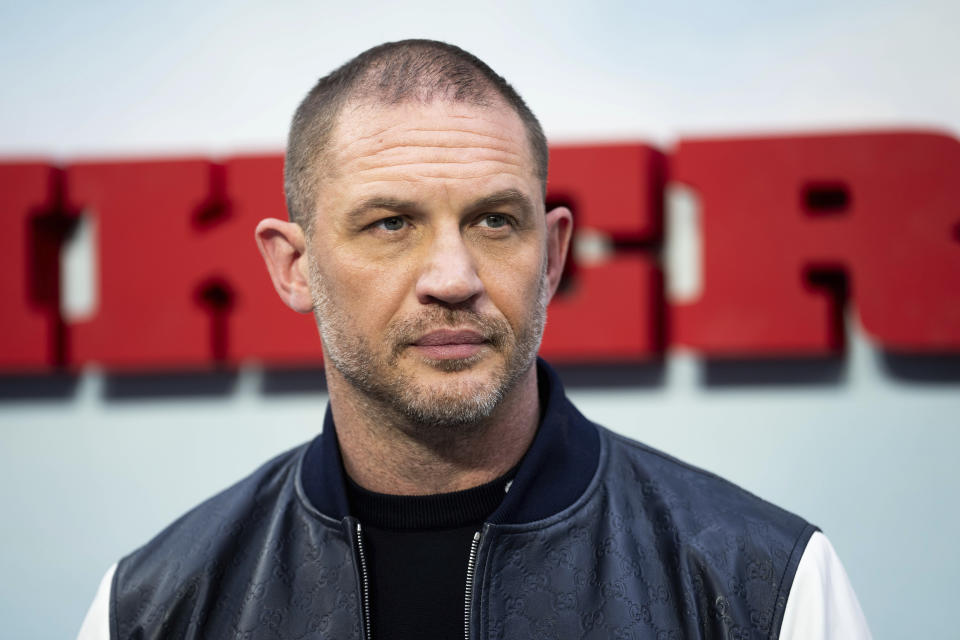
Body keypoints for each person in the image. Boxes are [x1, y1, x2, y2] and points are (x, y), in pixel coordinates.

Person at [78, 39, 870, 639]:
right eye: (391, 224)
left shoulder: (761, 583)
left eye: (495, 221)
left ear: (552, 255)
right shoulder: (150, 607)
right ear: (293, 267)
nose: (452, 277)